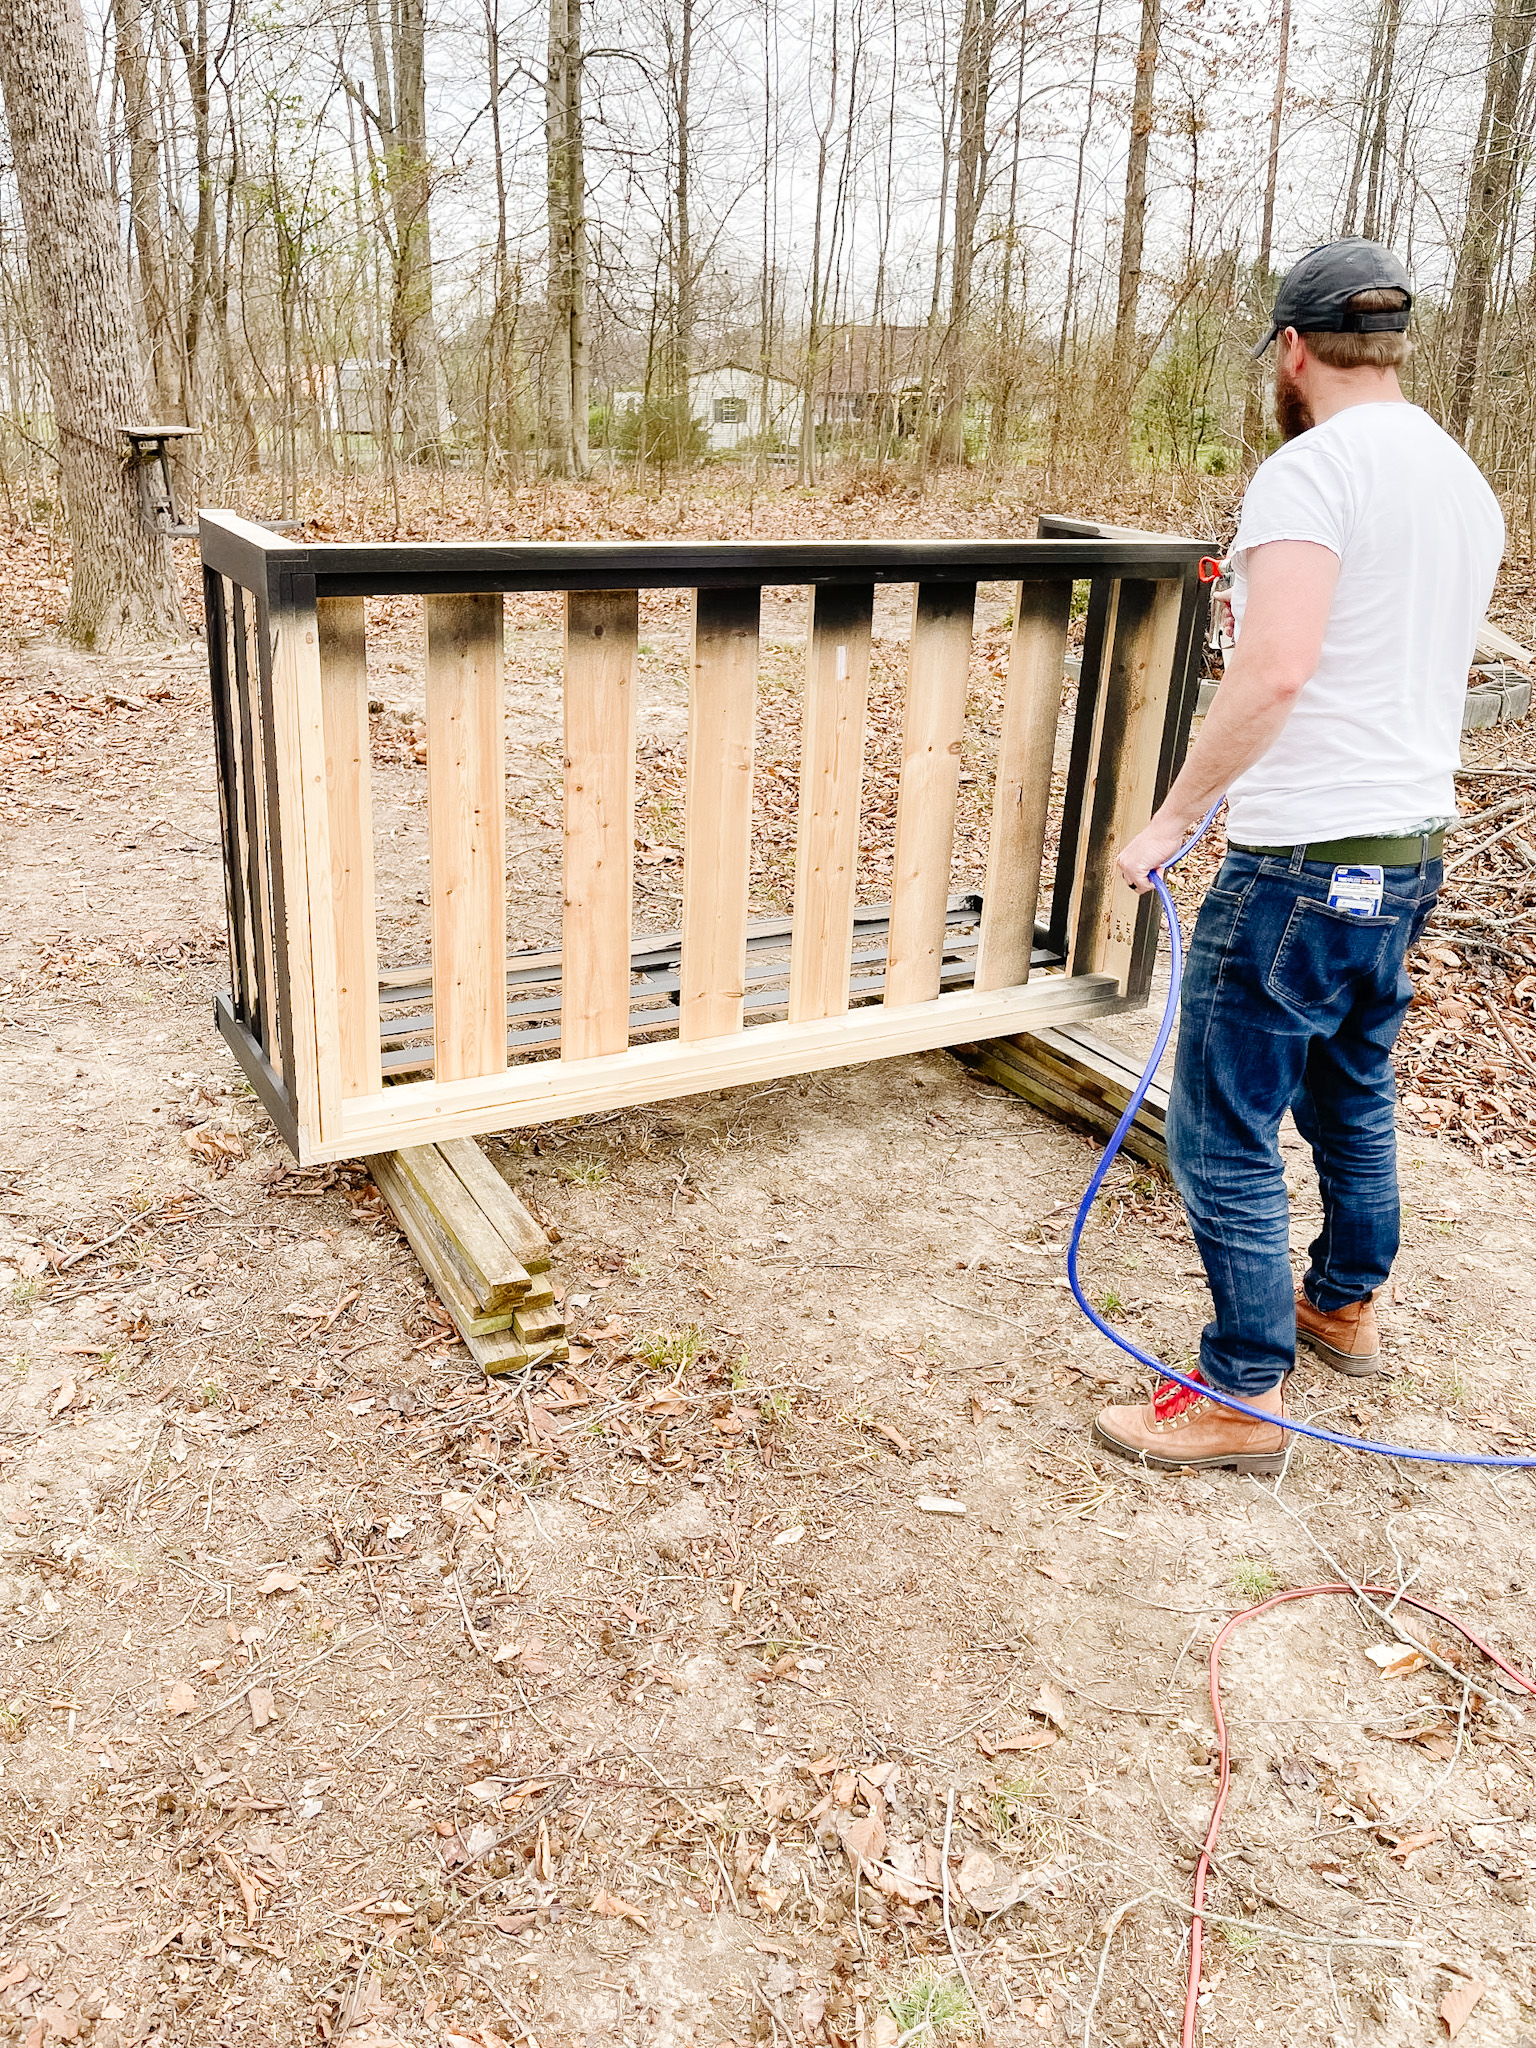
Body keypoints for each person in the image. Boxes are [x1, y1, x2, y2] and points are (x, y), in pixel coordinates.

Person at [1092, 237, 1505, 1475]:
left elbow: (1275, 668)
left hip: (1300, 863)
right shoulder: (1462, 480)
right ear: (1392, 344)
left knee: (1220, 1127)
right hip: (1408, 848)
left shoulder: (1310, 473)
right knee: (1350, 1093)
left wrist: (1170, 820)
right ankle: (1343, 1301)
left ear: (1292, 349)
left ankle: (1240, 1392)